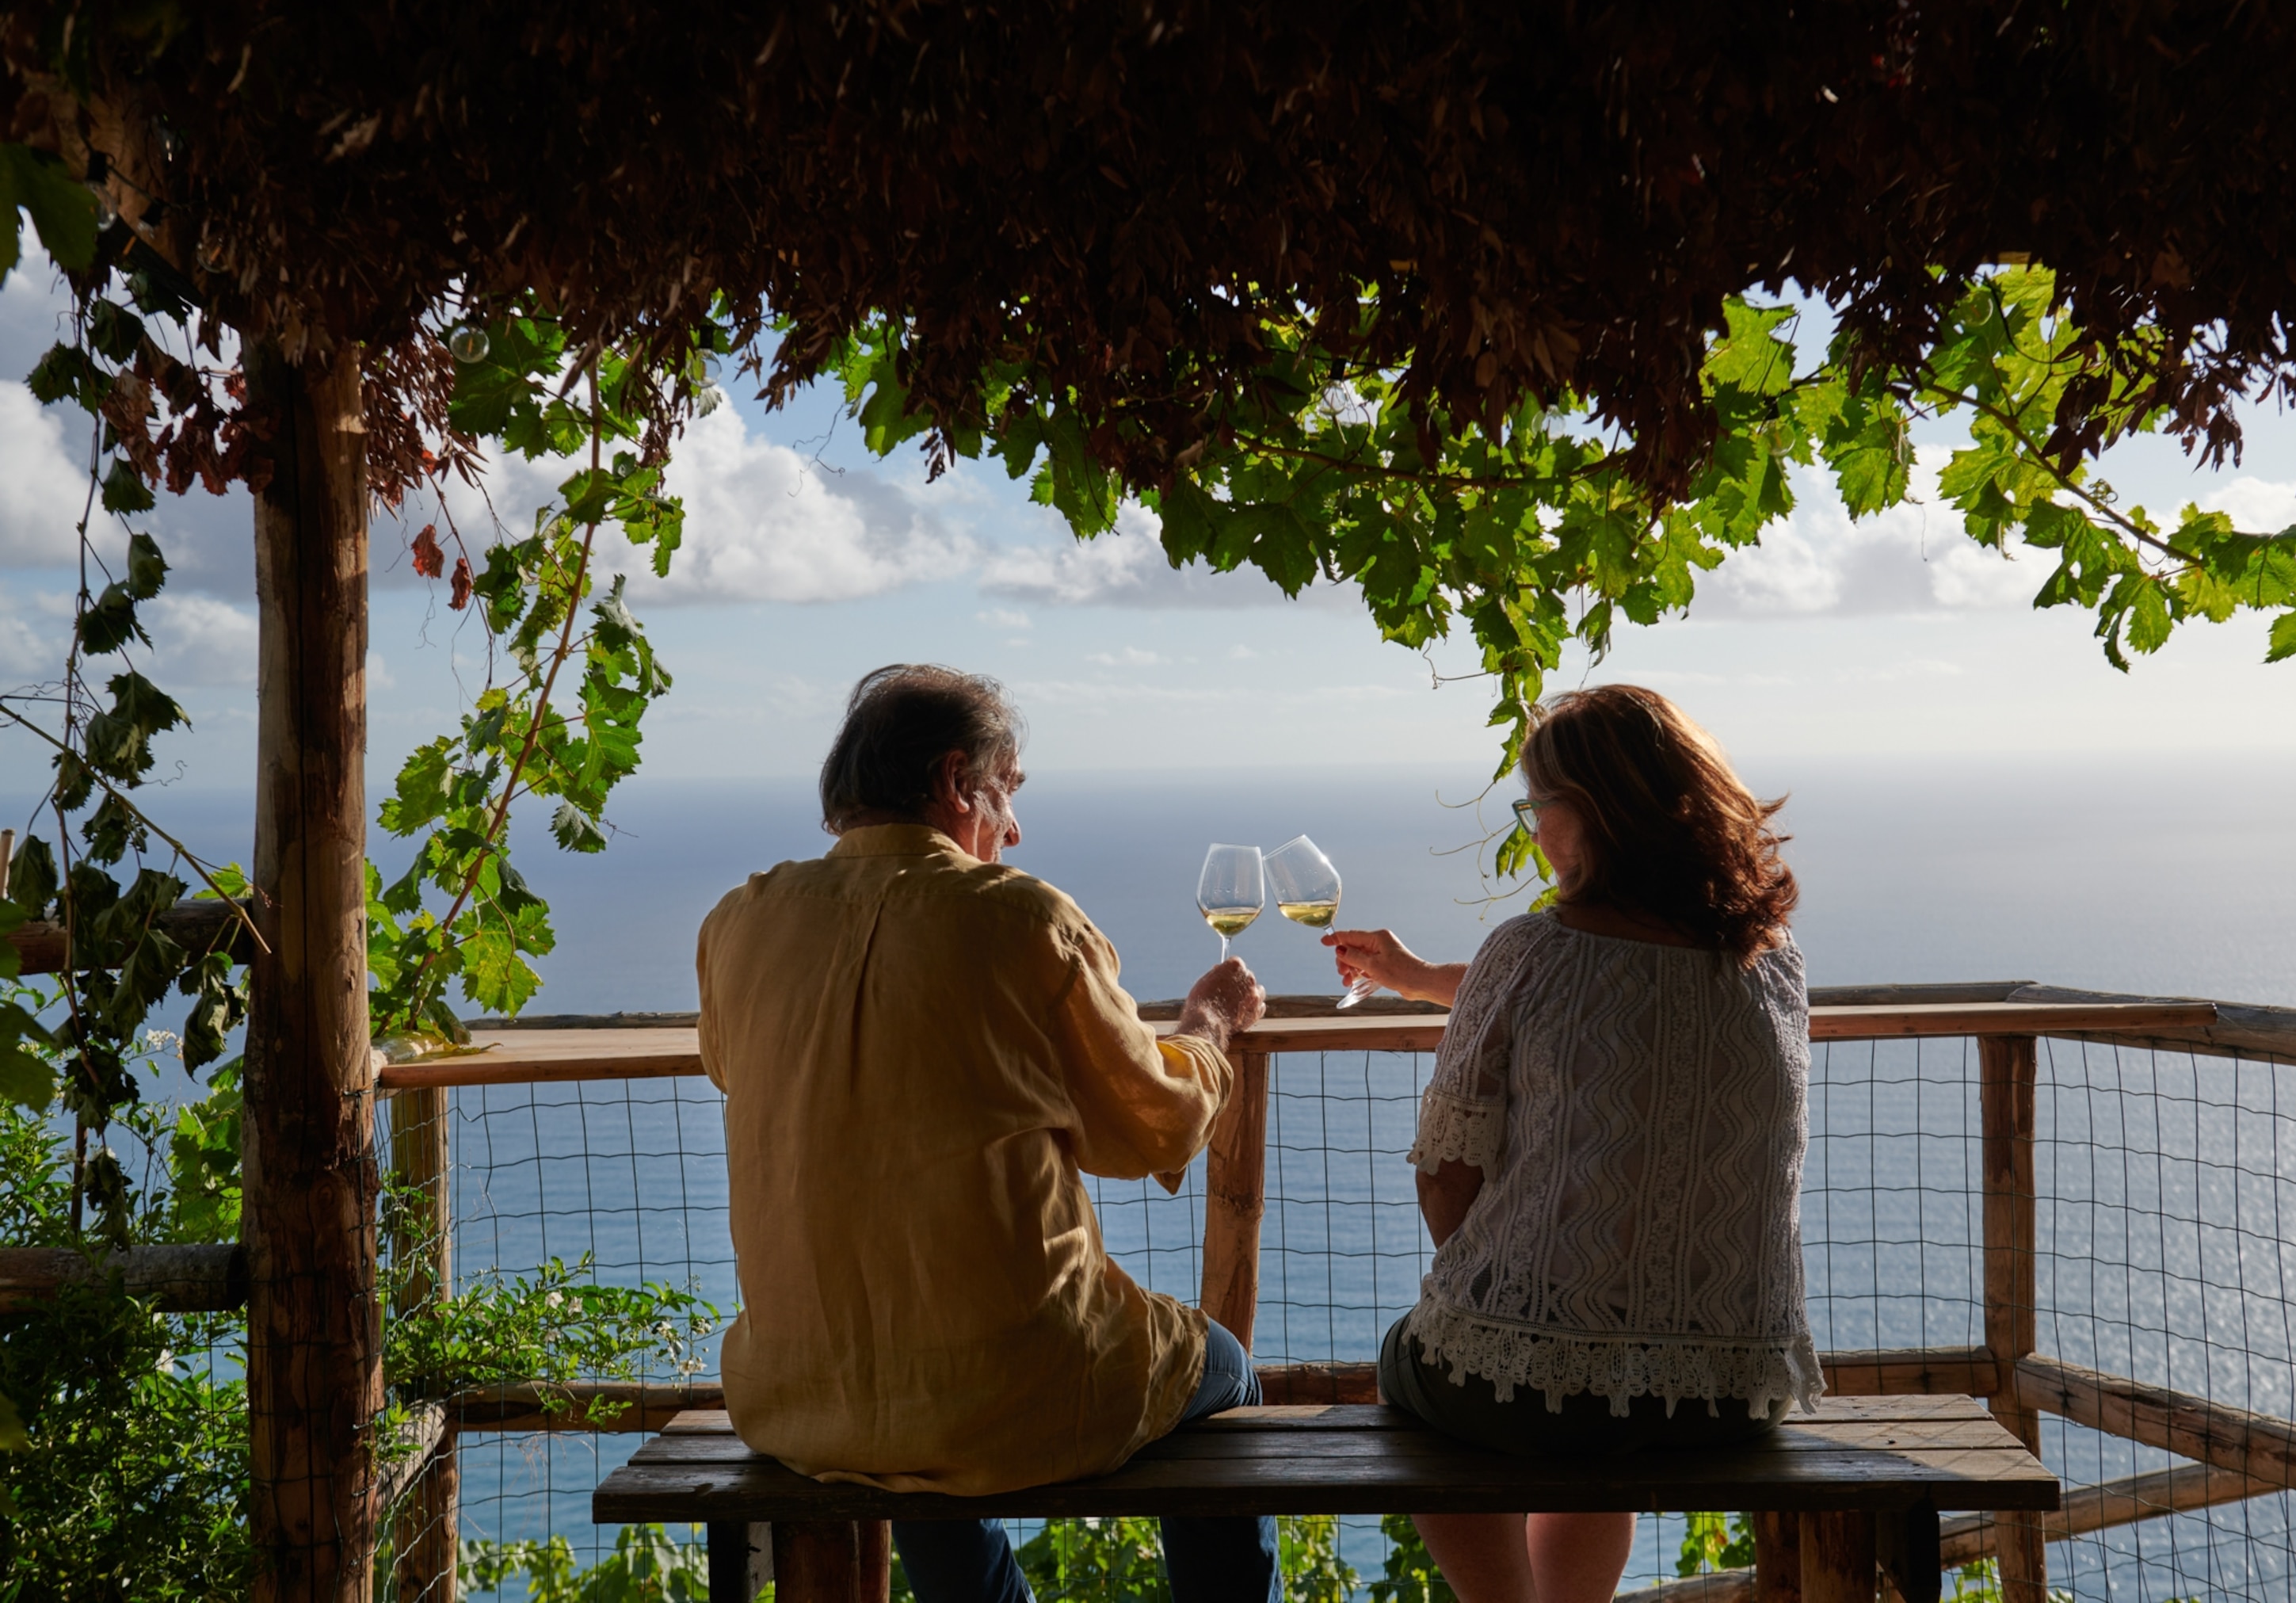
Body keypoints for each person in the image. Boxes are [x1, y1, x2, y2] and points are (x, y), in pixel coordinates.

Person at [697, 664, 1282, 1603]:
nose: (1013, 828)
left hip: (799, 1394)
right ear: (955, 779)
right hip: (1018, 1388)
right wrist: (1207, 1028)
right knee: (1228, 1370)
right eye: (1008, 794)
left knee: (932, 1425)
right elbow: (1156, 1128)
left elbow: (747, 1074)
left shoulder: (738, 923)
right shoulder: (1023, 920)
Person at [1323, 685, 1822, 1603]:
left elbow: (1446, 1181)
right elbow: (1622, 995)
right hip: (1735, 1392)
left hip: (1532, 1399)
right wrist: (1413, 972)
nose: (1535, 831)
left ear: (1588, 815)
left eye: (1535, 808)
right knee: (1605, 1372)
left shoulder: (1531, 952)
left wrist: (1529, 1288)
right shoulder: (1776, 963)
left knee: (1421, 1370)